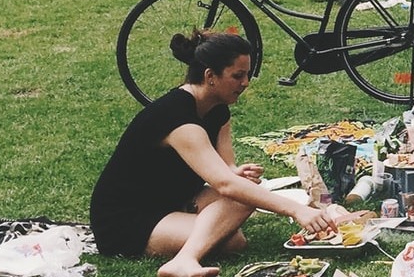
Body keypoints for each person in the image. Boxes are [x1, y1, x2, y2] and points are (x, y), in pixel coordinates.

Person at [91, 31, 355, 277]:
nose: (246, 83)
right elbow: (225, 184)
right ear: (210, 76)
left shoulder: (217, 110)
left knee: (240, 219)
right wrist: (297, 211)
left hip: (172, 202)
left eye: (247, 74)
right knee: (232, 226)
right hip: (126, 220)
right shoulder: (178, 119)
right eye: (237, 76)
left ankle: (190, 235)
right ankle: (182, 262)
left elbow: (227, 171)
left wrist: (235, 173)